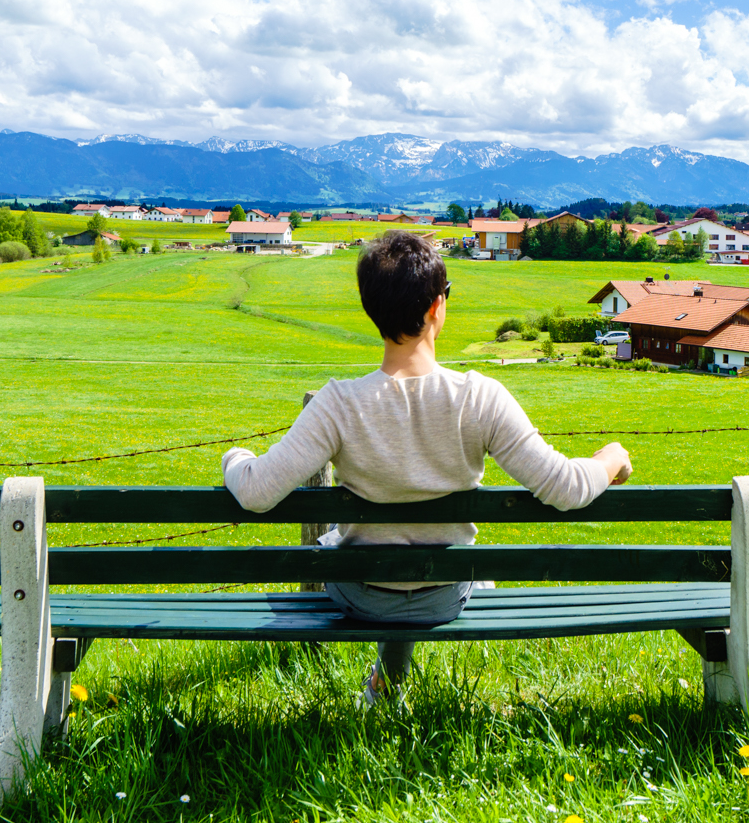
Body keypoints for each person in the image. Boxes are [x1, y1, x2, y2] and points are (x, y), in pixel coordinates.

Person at [221, 230, 632, 704]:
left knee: (364, 553)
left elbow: (255, 492)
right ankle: (388, 682)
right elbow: (566, 486)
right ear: (438, 306)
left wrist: (237, 458)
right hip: (445, 595)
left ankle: (385, 687)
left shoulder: (339, 404)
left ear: (370, 308)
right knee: (460, 567)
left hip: (362, 594)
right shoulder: (480, 398)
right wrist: (609, 459)